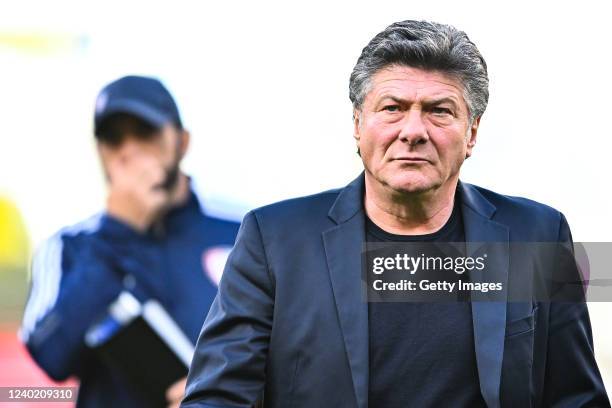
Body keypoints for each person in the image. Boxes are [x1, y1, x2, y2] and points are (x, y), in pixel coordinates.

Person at [181, 20, 610, 408]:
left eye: (440, 111)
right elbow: (218, 398)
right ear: (357, 124)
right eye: (392, 108)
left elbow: (575, 398)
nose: (413, 131)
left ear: (472, 133)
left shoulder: (537, 234)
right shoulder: (273, 241)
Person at [20, 75, 241, 407]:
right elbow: (51, 357)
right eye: (113, 138)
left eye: (144, 132)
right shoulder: (69, 246)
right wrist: (119, 228)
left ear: (182, 142)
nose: (128, 152)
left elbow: (294, 350)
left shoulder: (242, 232)